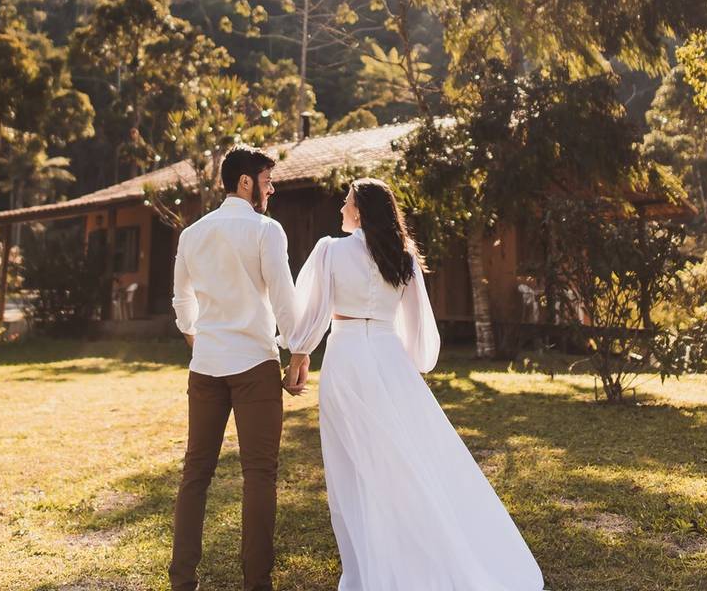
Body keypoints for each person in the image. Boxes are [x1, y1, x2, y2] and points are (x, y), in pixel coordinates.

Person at [284, 178, 545, 591]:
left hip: (347, 358)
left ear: (361, 211)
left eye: (346, 203)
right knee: (403, 459)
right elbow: (420, 337)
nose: (340, 211)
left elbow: (312, 314)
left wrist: (299, 355)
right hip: (389, 361)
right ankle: (415, 552)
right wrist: (399, 367)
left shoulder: (330, 251)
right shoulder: (402, 257)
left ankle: (368, 570)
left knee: (350, 464)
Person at [169, 146, 309, 591]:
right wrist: (299, 352)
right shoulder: (267, 231)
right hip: (254, 366)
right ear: (246, 182)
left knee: (196, 474)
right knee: (260, 475)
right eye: (267, 180)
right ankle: (257, 584)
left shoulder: (192, 233)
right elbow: (285, 300)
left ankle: (181, 581)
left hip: (206, 366)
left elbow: (181, 302)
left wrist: (197, 335)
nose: (271, 189)